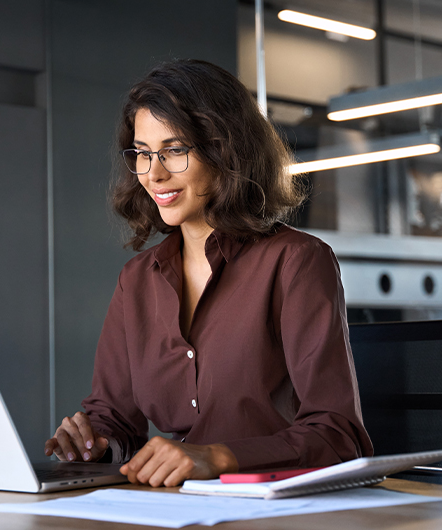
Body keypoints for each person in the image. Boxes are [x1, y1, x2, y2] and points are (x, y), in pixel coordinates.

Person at [44, 59, 373, 487]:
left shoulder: (297, 261)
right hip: (179, 505)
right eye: (143, 154)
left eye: (175, 150)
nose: (154, 173)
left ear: (225, 149)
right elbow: (115, 420)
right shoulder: (138, 279)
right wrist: (95, 442)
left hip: (275, 509)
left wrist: (218, 456)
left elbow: (339, 436)